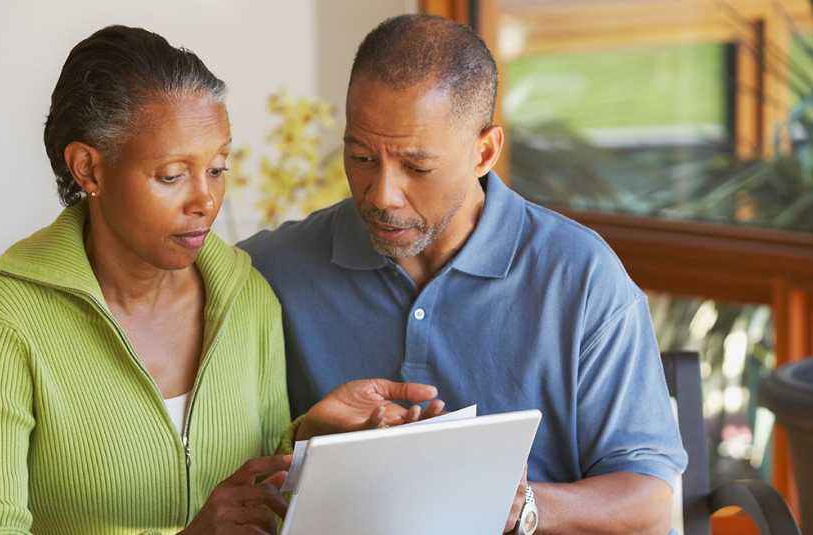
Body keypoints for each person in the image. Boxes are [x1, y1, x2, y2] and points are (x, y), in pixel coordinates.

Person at [0, 25, 441, 535]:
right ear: (89, 169)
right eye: (172, 175)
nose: (205, 201)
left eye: (217, 169)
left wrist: (310, 436)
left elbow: (255, 496)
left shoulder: (246, 296)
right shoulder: (0, 321)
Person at [239, 14, 688, 534]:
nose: (382, 194)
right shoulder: (272, 270)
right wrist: (302, 443)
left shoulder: (580, 278)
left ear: (485, 152)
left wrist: (521, 508)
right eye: (361, 156)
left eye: (417, 167)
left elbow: (650, 503)